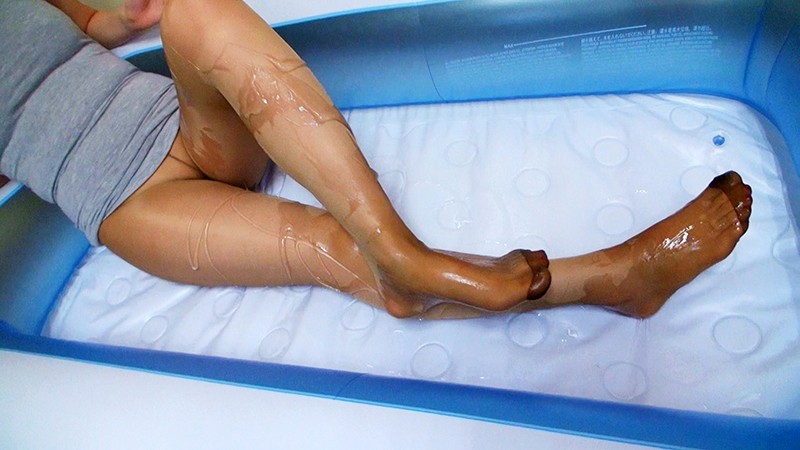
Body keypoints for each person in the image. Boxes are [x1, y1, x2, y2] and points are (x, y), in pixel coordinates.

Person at [1, 0, 752, 320]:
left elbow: (102, 26)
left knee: (198, 9)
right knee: (331, 243)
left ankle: (398, 255)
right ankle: (617, 279)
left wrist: (120, 16)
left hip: (182, 125)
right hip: (131, 202)